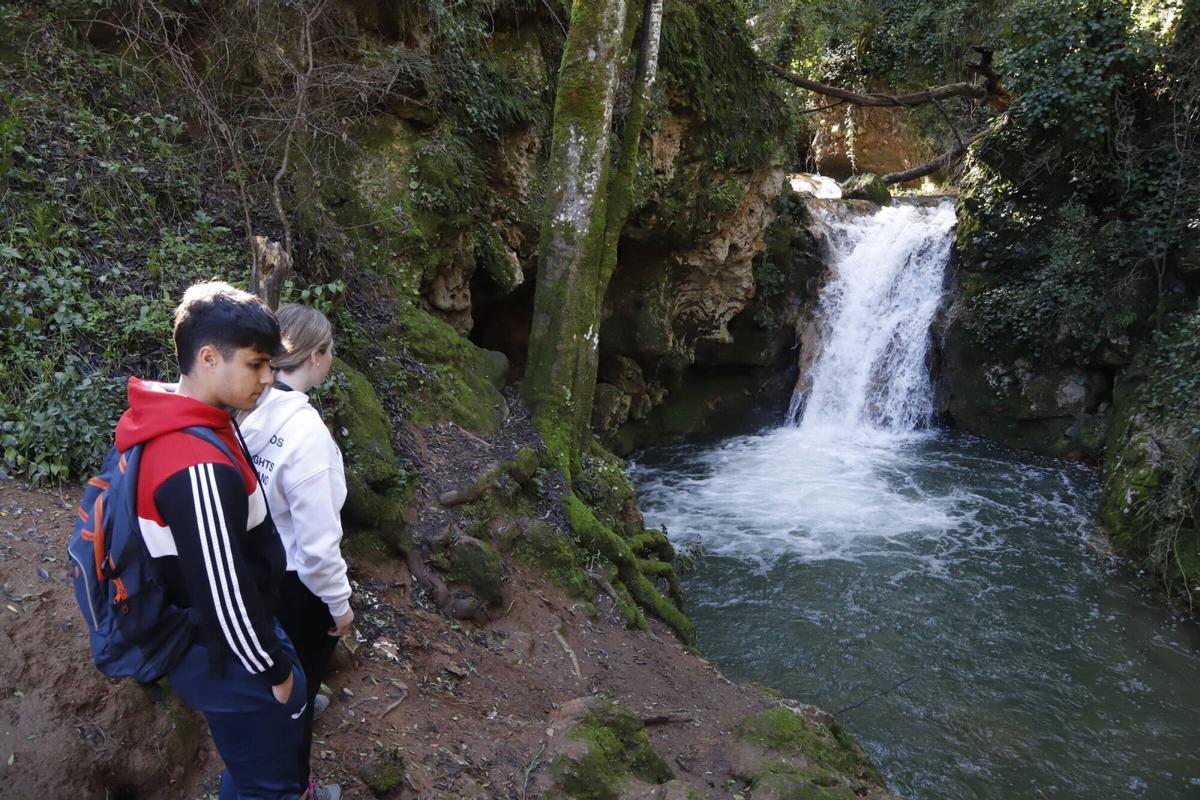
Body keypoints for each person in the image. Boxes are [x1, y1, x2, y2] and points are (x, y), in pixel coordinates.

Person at [114, 281, 332, 800]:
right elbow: (223, 592)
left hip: (224, 638)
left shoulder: (188, 417)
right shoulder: (196, 466)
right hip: (224, 650)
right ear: (209, 358)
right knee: (269, 785)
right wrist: (275, 671)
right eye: (257, 365)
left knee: (253, 766)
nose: (267, 379)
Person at [239, 304, 353, 793]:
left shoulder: (243, 403)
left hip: (252, 566)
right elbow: (319, 547)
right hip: (297, 583)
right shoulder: (306, 435)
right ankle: (296, 787)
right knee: (294, 690)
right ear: (318, 356)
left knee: (271, 669)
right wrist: (341, 606)